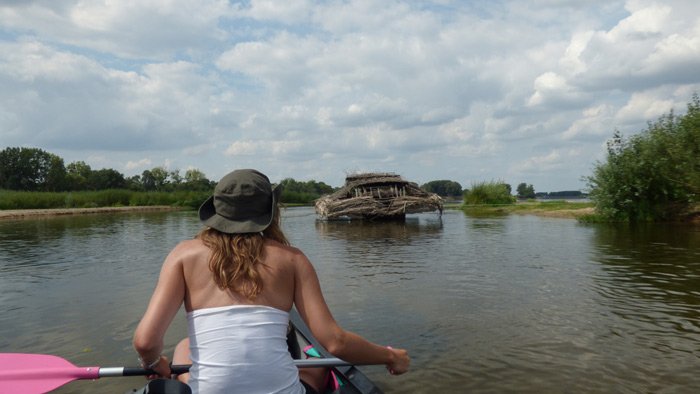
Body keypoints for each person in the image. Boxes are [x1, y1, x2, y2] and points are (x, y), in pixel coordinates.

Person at [133, 169, 410, 393]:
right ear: (271, 211)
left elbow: (145, 341)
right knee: (317, 364)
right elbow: (335, 343)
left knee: (183, 347)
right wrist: (390, 356)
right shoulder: (293, 260)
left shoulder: (182, 254)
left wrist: (155, 363)